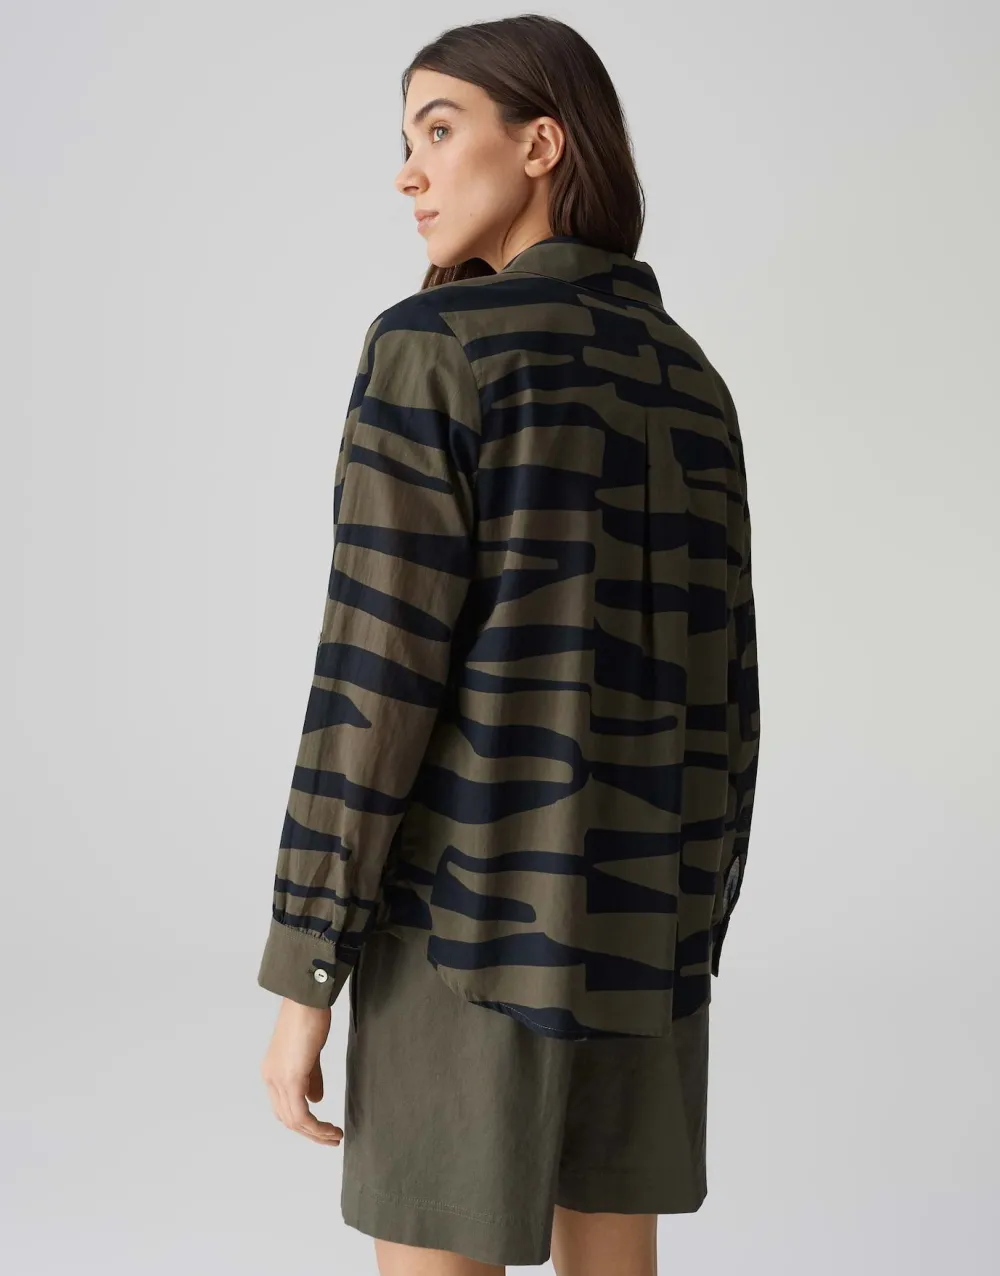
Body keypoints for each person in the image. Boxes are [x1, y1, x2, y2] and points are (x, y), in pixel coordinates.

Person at [257, 14, 760, 1275]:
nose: (408, 173)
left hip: (463, 926)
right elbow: (730, 688)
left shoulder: (434, 348)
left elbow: (374, 676)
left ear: (540, 145)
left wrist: (306, 968)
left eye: (438, 130)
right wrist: (691, 927)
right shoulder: (689, 376)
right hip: (644, 929)